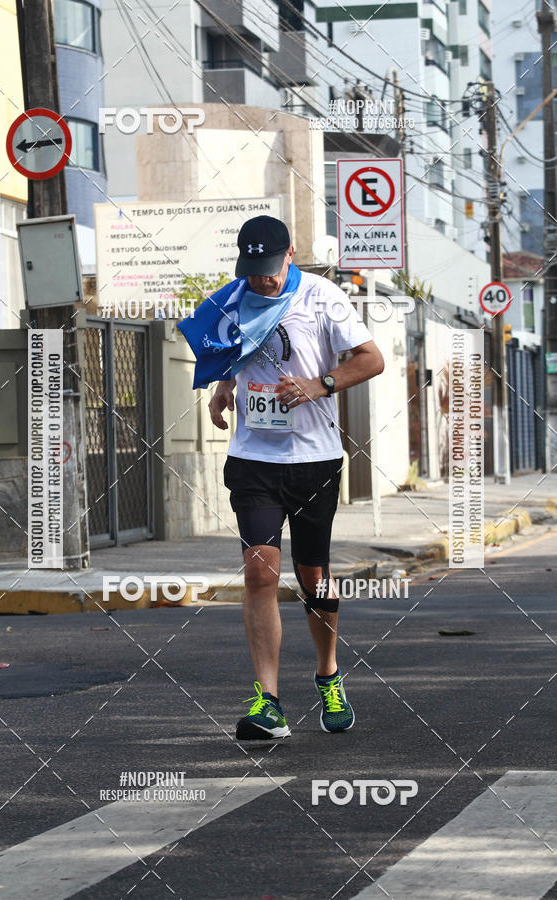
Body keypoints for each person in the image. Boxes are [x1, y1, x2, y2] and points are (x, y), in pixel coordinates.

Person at [190, 215, 384, 740]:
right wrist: (225, 386)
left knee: (314, 579)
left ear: (290, 255)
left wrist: (320, 384)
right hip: (254, 459)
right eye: (253, 271)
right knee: (259, 573)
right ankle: (268, 701)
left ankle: (328, 674)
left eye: (270, 269)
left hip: (315, 460)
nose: (263, 280)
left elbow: (371, 359)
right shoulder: (231, 299)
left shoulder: (322, 297)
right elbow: (230, 353)